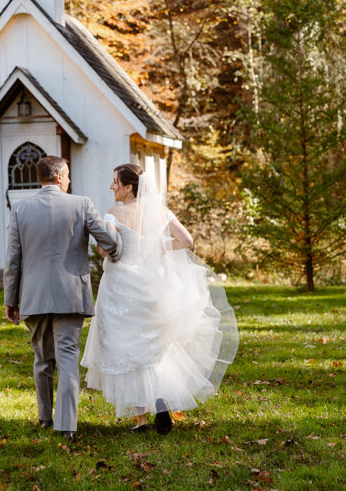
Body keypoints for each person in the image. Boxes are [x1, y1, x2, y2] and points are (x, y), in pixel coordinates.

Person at [81, 162, 239, 434]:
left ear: (129, 187)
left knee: (126, 349)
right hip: (150, 287)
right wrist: (157, 248)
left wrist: (104, 246)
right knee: (152, 349)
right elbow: (186, 240)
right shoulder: (160, 212)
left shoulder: (113, 213)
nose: (111, 187)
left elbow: (105, 249)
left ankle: (142, 419)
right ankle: (159, 399)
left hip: (120, 287)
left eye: (115, 182)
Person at [4, 155, 122, 441]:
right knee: (67, 357)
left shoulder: (20, 210)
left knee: (43, 359)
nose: (69, 180)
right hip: (70, 293)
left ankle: (45, 418)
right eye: (67, 175)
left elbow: (13, 260)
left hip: (33, 296)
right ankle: (66, 425)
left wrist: (11, 300)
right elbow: (107, 240)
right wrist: (117, 251)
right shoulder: (82, 204)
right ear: (58, 177)